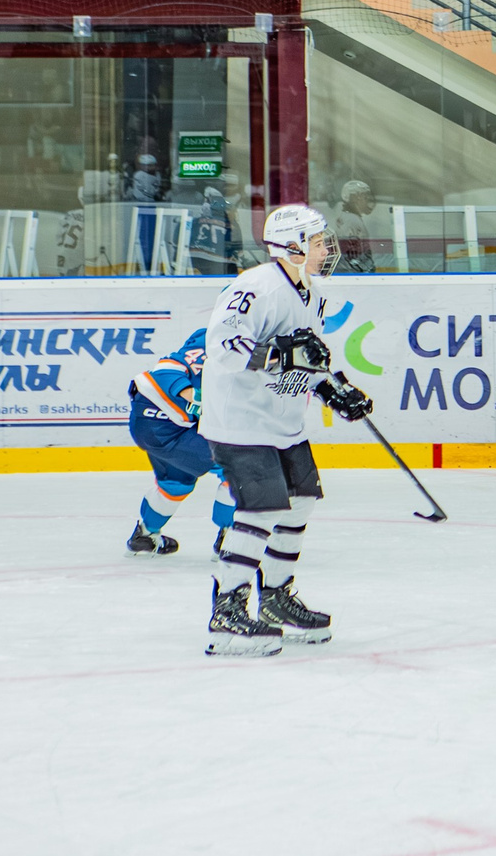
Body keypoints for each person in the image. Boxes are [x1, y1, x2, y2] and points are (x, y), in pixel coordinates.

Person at [197, 202, 375, 656]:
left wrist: (333, 388)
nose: (325, 249)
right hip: (240, 421)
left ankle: (275, 597)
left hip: (282, 420)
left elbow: (307, 355)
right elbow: (222, 347)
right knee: (260, 510)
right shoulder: (254, 287)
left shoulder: (310, 291)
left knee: (302, 503)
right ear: (292, 247)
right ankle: (228, 611)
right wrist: (275, 355)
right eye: (317, 242)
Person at [124, 326, 236, 557]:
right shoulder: (224, 340)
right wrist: (194, 396)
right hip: (167, 423)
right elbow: (169, 369)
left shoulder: (211, 332)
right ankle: (233, 538)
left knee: (175, 482)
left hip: (153, 420)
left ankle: (145, 536)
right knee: (240, 466)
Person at [331, 180, 379, 274]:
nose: (367, 201)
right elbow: (352, 257)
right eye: (365, 197)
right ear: (356, 198)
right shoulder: (351, 221)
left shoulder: (350, 218)